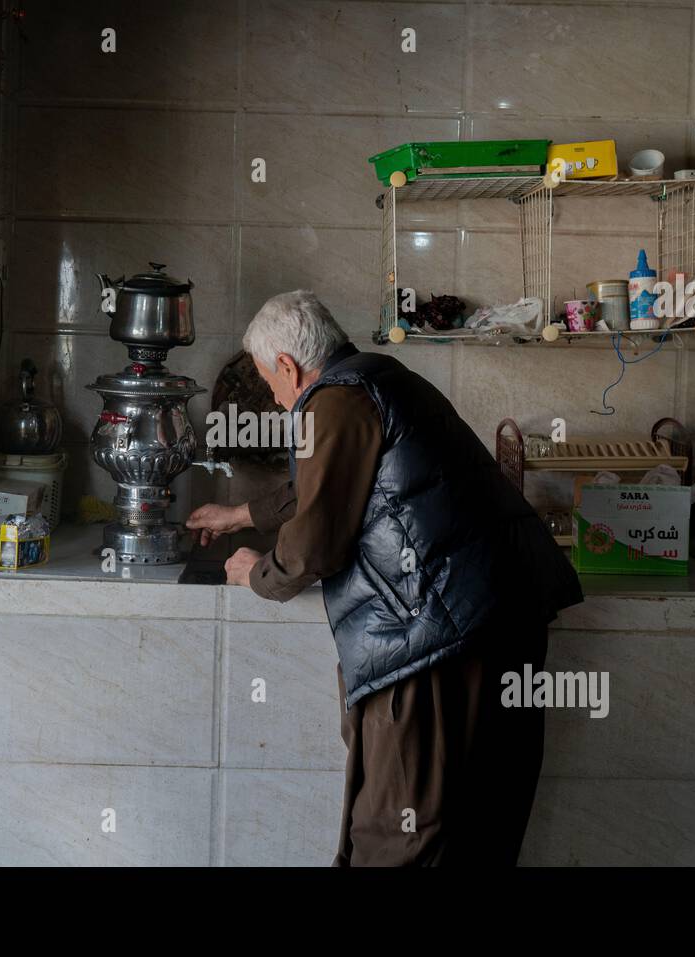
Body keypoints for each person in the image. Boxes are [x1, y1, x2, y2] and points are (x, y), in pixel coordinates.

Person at [188, 290, 583, 866]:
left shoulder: (333, 402)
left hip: (437, 645)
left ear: (288, 367)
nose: (274, 402)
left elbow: (313, 546)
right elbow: (326, 484)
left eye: (270, 384)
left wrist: (259, 574)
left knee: (399, 837)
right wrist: (241, 515)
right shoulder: (379, 378)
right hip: (498, 622)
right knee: (479, 832)